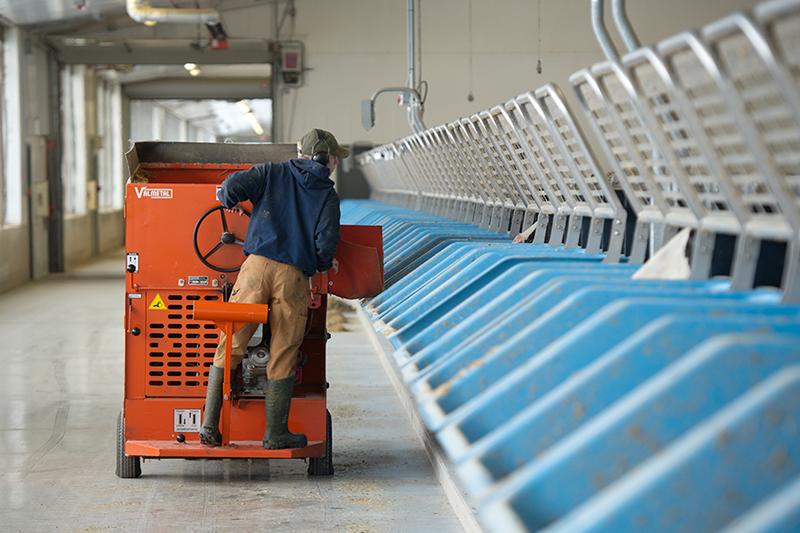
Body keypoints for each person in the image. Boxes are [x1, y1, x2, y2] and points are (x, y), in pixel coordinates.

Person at [199, 128, 346, 449]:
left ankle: (209, 426)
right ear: (330, 160)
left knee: (232, 340)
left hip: (255, 268)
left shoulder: (272, 172)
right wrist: (323, 263)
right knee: (284, 349)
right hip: (292, 276)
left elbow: (230, 189)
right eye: (337, 159)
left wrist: (229, 201)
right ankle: (275, 433)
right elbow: (325, 241)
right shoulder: (328, 196)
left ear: (300, 152)